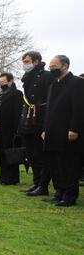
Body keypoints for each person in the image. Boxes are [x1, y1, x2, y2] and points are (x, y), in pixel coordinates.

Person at [42, 55, 84, 207]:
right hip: (52, 132)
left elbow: (79, 108)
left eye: (54, 66)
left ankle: (70, 195)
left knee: (69, 164)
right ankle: (59, 192)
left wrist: (74, 128)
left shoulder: (77, 83)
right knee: (55, 164)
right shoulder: (53, 84)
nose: (51, 69)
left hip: (68, 132)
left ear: (65, 65)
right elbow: (49, 110)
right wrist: (45, 129)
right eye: (50, 67)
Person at [20, 51, 55, 197]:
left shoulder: (47, 76)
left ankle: (43, 185)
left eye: (27, 61)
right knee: (31, 154)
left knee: (40, 154)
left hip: (41, 117)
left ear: (36, 61)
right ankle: (36, 182)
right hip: (29, 119)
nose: (24, 64)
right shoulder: (27, 77)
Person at [0, 73, 24, 185]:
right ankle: (4, 177)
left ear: (10, 81)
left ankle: (12, 178)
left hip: (11, 129)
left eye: (3, 82)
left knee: (11, 153)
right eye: (0, 82)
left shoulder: (17, 94)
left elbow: (17, 112)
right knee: (3, 153)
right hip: (1, 129)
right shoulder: (2, 94)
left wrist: (17, 130)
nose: (1, 84)